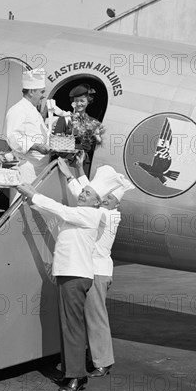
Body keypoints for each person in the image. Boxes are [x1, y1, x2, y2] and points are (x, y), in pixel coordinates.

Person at [17, 166, 121, 391]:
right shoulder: (84, 212)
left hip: (75, 276)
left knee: (72, 327)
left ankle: (76, 376)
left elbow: (60, 210)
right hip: (70, 274)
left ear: (97, 202)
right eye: (83, 191)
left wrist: (31, 193)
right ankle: (72, 372)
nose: (82, 194)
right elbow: (59, 212)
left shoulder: (90, 214)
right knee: (69, 325)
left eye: (88, 194)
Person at [57, 156, 133, 377]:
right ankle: (96, 356)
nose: (104, 199)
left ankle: (103, 361)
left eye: (109, 197)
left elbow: (85, 197)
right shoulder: (101, 211)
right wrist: (80, 168)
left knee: (96, 316)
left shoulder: (108, 216)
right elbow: (88, 192)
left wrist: (70, 175)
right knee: (90, 315)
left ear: (116, 202)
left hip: (98, 271)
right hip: (92, 270)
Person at [6, 68, 51, 184]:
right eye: (41, 92)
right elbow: (13, 138)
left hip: (40, 169)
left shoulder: (34, 111)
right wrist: (36, 146)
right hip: (25, 168)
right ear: (31, 91)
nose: (43, 96)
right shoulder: (18, 110)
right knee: (22, 201)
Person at [54, 84, 105, 176]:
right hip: (67, 163)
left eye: (82, 101)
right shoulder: (65, 119)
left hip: (85, 164)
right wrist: (76, 145)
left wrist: (97, 138)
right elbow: (55, 143)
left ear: (88, 101)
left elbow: (98, 148)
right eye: (76, 101)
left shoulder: (94, 122)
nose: (79, 104)